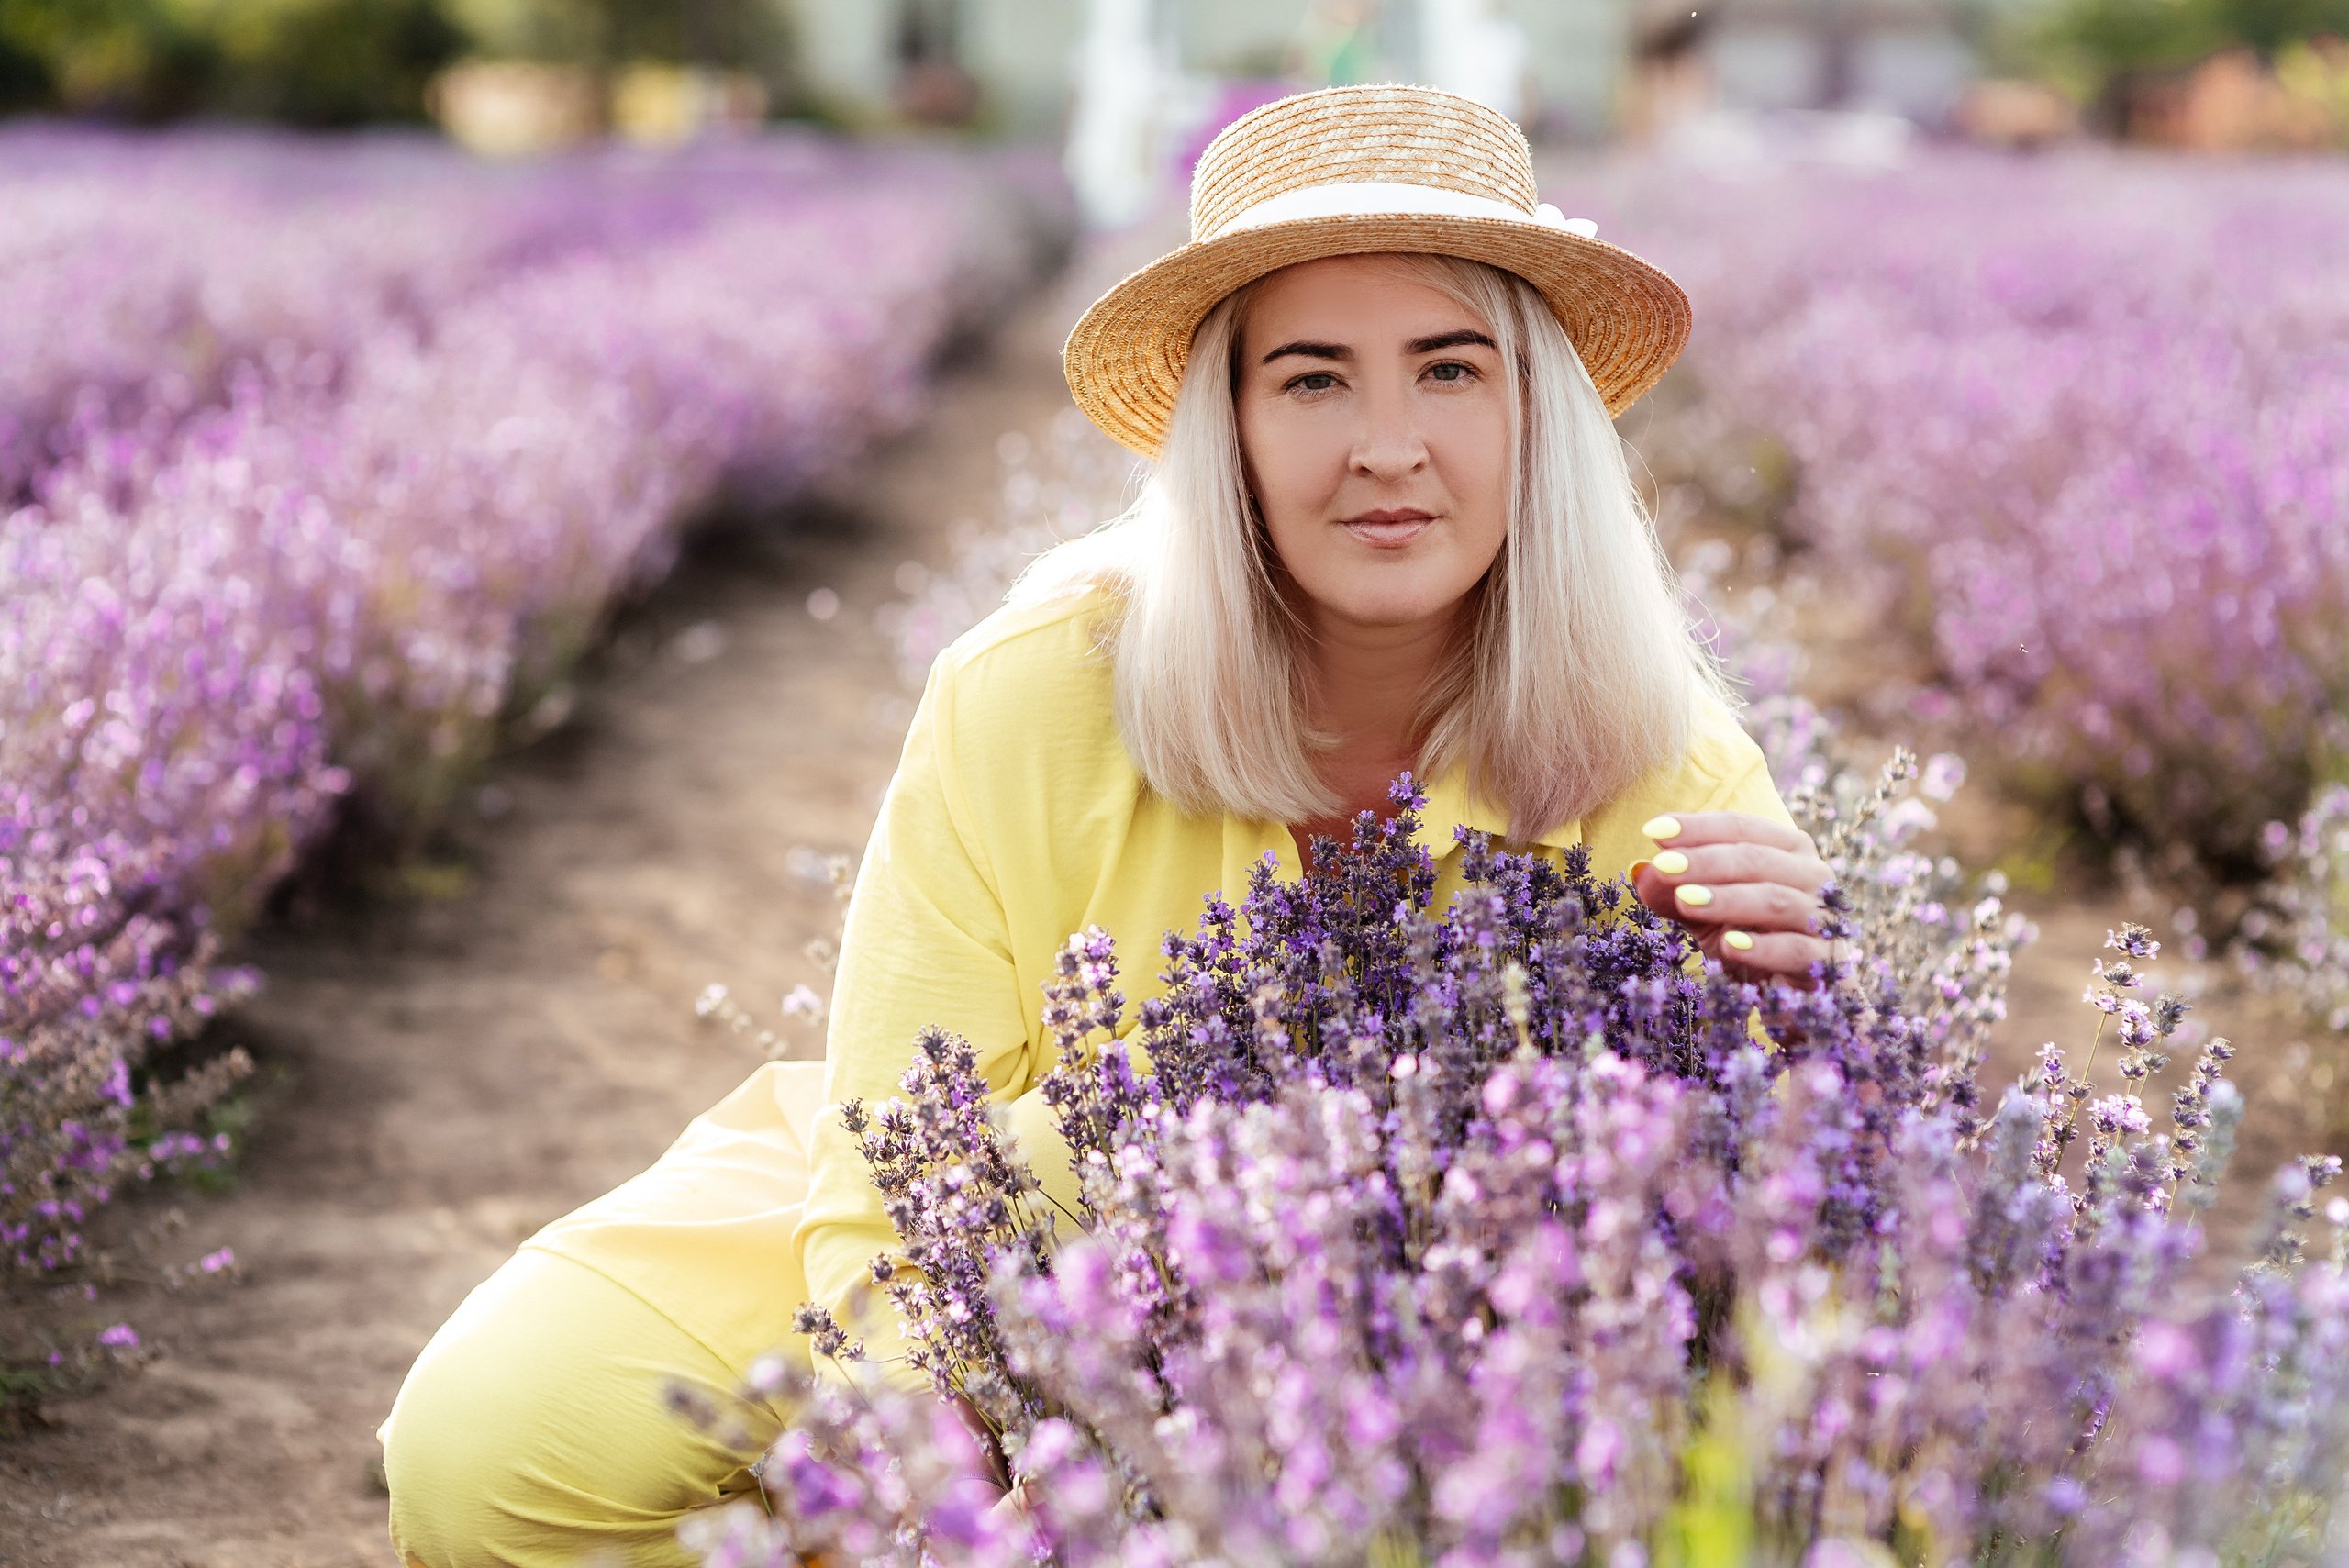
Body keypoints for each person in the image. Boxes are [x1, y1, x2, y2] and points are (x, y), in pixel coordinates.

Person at [378, 83, 1833, 1567]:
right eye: (1313, 380)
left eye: (1450, 370)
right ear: (1230, 426)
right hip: (984, 1219)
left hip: (1403, 1307)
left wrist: (1789, 1013)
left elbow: (1776, 1222)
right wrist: (942, 1468)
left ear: (1533, 412)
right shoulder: (1034, 693)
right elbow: (897, 1163)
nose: (1388, 444)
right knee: (482, 1455)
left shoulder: (1657, 751)